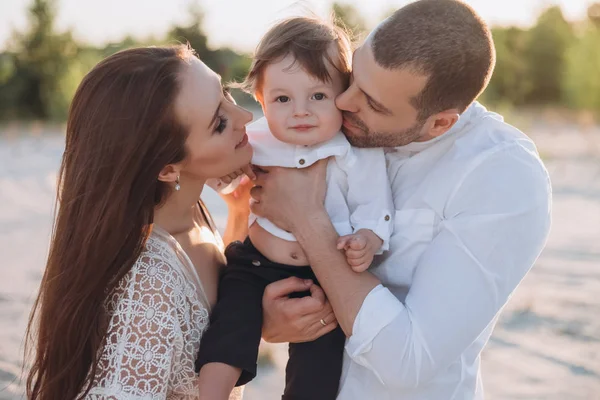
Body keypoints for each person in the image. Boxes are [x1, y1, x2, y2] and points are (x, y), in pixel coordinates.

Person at [249, 1, 553, 399]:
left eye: (372, 104)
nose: (343, 102)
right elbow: (256, 216)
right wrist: (266, 316)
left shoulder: (502, 176)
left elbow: (407, 362)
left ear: (439, 122)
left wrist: (308, 221)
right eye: (352, 76)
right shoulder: (335, 125)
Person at [23, 45, 335, 400]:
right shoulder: (148, 289)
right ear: (167, 168)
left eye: (226, 95)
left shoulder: (190, 214)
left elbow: (207, 325)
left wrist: (238, 213)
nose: (244, 117)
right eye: (219, 122)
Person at [195, 17, 393, 400]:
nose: (300, 111)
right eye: (282, 99)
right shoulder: (254, 139)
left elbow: (375, 206)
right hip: (253, 264)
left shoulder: (355, 152)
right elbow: (219, 172)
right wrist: (227, 176)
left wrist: (367, 238)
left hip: (323, 272)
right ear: (261, 98)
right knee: (230, 327)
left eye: (318, 96)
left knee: (320, 360)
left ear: (344, 94)